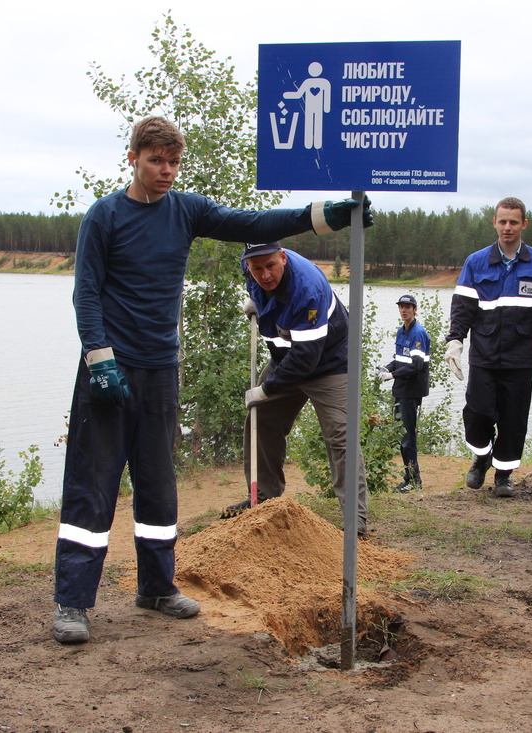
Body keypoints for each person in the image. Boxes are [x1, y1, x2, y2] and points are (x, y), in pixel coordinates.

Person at [52, 116, 372, 645]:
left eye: (174, 162)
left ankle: (157, 586)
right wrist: (99, 357)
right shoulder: (103, 217)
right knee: (93, 481)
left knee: (157, 481)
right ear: (133, 158)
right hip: (109, 369)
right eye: (156, 160)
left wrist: (323, 216)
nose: (166, 171)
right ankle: (72, 601)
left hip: (160, 368)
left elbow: (254, 222)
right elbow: (86, 293)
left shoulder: (186, 211)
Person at [222, 241, 370, 536]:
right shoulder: (251, 269)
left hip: (329, 362)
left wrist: (267, 389)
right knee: (260, 420)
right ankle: (263, 498)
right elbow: (256, 280)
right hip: (286, 356)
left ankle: (356, 522)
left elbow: (305, 359)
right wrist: (258, 302)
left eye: (271, 266)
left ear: (284, 258)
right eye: (257, 268)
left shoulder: (307, 289)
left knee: (341, 434)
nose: (265, 275)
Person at [444, 197, 532, 499]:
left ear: (524, 224)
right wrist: (455, 341)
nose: (507, 227)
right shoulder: (476, 262)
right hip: (484, 355)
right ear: (494, 223)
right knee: (477, 412)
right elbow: (462, 307)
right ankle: (482, 455)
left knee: (513, 420)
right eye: (502, 221)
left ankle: (503, 475)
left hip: (520, 358)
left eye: (513, 222)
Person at [378, 294, 431, 492]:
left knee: (408, 437)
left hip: (411, 392)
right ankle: (409, 479)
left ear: (415, 309)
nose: (404, 310)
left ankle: (414, 481)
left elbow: (416, 366)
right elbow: (400, 360)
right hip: (401, 390)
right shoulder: (402, 331)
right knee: (402, 436)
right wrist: (386, 368)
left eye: (408, 307)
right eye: (401, 307)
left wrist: (392, 376)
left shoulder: (418, 334)